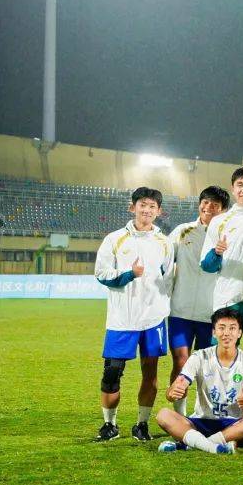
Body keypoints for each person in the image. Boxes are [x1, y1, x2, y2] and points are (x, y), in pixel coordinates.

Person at [93, 186, 175, 442]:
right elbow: (101, 274)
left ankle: (142, 424)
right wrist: (130, 274)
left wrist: (162, 306)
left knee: (150, 374)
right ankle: (110, 425)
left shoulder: (165, 242)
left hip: (153, 319)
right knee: (111, 374)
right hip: (122, 319)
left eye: (152, 206)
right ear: (132, 207)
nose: (147, 210)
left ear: (158, 211)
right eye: (142, 205)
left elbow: (168, 278)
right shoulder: (114, 239)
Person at [156, 307, 243, 454]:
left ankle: (195, 444)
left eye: (232, 328)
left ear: (240, 333)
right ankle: (215, 446)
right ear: (213, 332)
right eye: (221, 328)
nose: (226, 333)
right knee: (163, 415)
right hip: (202, 421)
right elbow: (175, 388)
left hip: (234, 424)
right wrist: (172, 392)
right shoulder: (199, 357)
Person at [167, 185, 230, 416]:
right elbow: (164, 262)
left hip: (210, 313)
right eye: (205, 202)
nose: (208, 207)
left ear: (223, 210)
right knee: (181, 361)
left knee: (207, 367)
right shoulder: (183, 231)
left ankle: (204, 413)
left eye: (215, 204)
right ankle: (180, 415)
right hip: (180, 311)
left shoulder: (228, 235)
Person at [199, 166, 243, 367]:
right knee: (223, 354)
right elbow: (207, 266)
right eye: (240, 185)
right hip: (226, 298)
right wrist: (216, 253)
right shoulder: (219, 221)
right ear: (233, 189)